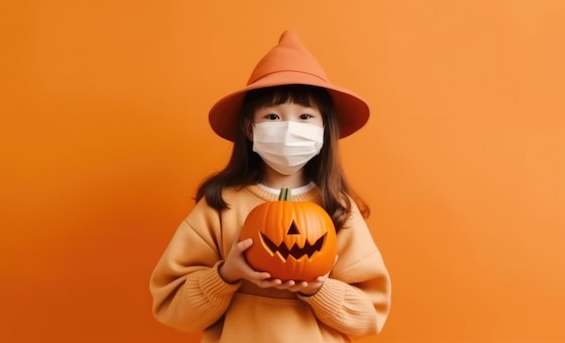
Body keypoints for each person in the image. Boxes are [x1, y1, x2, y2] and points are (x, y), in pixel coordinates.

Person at [149, 30, 391, 343]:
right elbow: (172, 307)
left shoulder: (338, 209)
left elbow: (370, 316)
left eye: (305, 116)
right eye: (273, 116)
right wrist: (226, 275)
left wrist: (319, 288)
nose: (290, 128)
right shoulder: (221, 205)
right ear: (250, 128)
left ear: (323, 130)